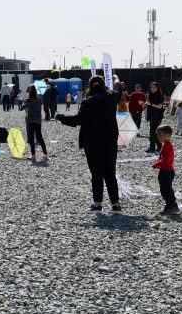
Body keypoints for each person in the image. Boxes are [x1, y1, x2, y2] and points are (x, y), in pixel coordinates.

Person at [56, 76, 122, 212]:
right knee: (110, 173)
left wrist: (60, 117)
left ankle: (97, 204)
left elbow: (77, 120)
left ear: (90, 87)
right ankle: (115, 204)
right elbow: (117, 87)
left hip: (92, 142)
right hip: (109, 141)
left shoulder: (87, 103)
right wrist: (115, 78)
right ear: (104, 86)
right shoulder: (112, 98)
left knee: (96, 173)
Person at [152, 125, 178, 215]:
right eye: (158, 135)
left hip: (167, 172)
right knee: (164, 189)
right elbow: (162, 158)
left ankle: (170, 205)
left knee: (166, 189)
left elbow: (167, 160)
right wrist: (158, 162)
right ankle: (172, 204)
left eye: (160, 135)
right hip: (164, 171)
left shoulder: (168, 146)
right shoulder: (165, 145)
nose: (158, 137)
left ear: (168, 136)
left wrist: (157, 164)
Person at [22, 85, 49, 162]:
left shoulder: (28, 99)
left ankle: (33, 155)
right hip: (38, 120)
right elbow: (40, 108)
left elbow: (21, 108)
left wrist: (24, 102)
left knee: (31, 138)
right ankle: (46, 154)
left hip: (31, 120)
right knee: (40, 137)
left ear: (29, 91)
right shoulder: (39, 98)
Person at [144, 82, 165, 153]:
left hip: (158, 116)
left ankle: (155, 147)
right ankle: (157, 146)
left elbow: (160, 106)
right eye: (152, 87)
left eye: (154, 87)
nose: (153, 89)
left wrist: (151, 104)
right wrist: (144, 104)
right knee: (153, 132)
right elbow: (148, 104)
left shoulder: (159, 96)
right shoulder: (149, 95)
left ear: (157, 88)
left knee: (154, 132)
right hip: (152, 116)